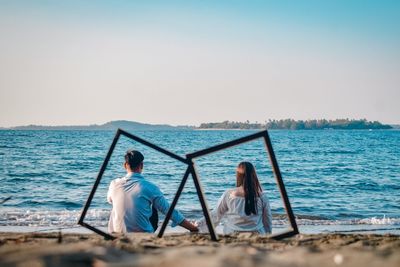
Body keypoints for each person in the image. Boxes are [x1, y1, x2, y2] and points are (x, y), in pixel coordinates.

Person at [107, 149, 198, 234]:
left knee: (117, 203)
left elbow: (110, 200)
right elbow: (169, 211)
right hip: (143, 233)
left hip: (117, 233)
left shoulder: (114, 184)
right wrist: (192, 228)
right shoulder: (149, 187)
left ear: (125, 165)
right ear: (141, 165)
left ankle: (119, 228)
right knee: (155, 204)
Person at [196, 161, 272, 234]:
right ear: (254, 175)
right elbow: (267, 219)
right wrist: (268, 234)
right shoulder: (262, 196)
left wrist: (199, 224)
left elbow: (216, 214)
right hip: (257, 233)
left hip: (233, 233)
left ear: (238, 175)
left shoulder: (229, 194)